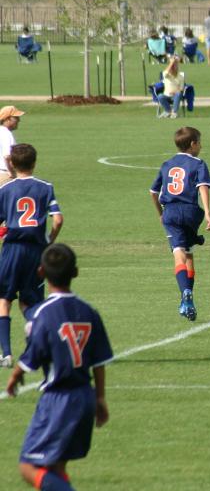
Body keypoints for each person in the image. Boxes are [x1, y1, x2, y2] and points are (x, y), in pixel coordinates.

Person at [5, 244, 113, 491]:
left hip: (58, 399)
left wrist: (15, 376)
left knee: (28, 467)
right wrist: (100, 398)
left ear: (40, 272)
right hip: (85, 396)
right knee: (56, 467)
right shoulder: (89, 312)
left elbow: (31, 356)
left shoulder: (41, 314)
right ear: (75, 272)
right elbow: (99, 362)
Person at [0, 144, 64, 366]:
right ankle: (43, 339)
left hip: (12, 250)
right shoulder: (46, 187)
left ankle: (6, 354)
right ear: (34, 163)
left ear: (13, 164)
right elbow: (58, 219)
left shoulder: (5, 190)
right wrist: (49, 241)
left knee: (4, 298)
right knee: (30, 302)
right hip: (36, 250)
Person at [149, 127, 210, 322]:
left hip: (170, 213)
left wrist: (161, 214)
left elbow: (153, 192)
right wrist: (208, 212)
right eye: (200, 142)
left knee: (179, 255)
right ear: (193, 144)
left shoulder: (167, 164)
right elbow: (202, 186)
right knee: (189, 253)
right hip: (191, 213)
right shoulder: (199, 164)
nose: (201, 146)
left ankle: (186, 294)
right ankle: (188, 299)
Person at [0, 105, 24, 186]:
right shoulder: (6, 134)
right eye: (16, 118)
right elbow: (7, 156)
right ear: (7, 119)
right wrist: (12, 172)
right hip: (5, 175)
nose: (19, 120)